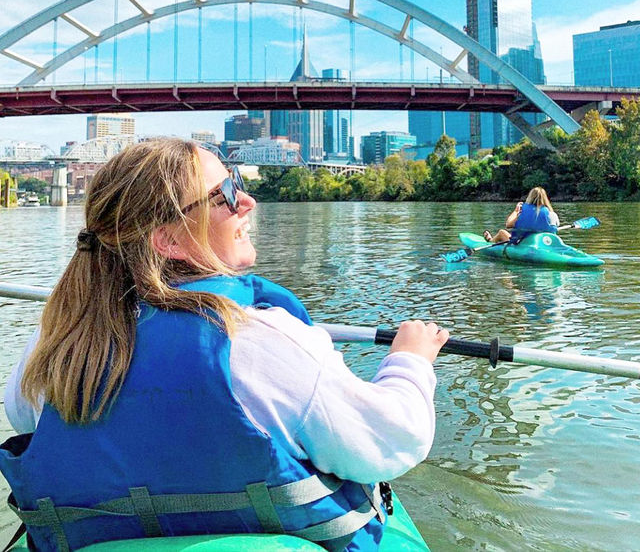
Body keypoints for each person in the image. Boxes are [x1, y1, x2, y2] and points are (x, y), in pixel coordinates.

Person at [0, 138, 449, 552]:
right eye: (227, 195)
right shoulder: (263, 341)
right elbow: (393, 440)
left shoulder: (54, 345)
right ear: (170, 239)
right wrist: (409, 360)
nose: (248, 201)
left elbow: (26, 418)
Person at [483, 187, 560, 244]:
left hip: (524, 244)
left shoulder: (522, 213)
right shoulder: (552, 215)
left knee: (501, 232)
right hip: (546, 243)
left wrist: (516, 211)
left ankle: (490, 241)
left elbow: (508, 225)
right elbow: (555, 228)